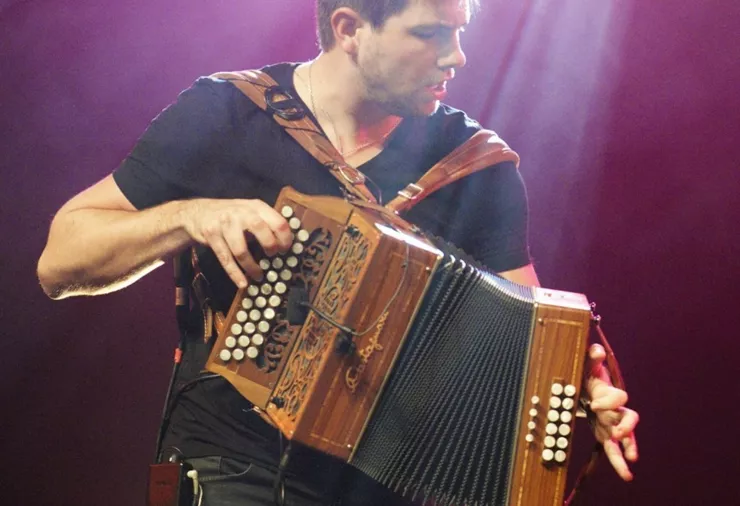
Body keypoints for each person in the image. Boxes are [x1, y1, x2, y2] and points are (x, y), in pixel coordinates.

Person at [37, 0, 639, 504]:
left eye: (460, 32)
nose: (456, 55)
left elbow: (534, 333)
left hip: (389, 483)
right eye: (430, 34)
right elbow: (61, 260)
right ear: (350, 29)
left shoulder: (474, 166)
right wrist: (192, 215)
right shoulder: (226, 113)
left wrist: (580, 394)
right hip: (229, 467)